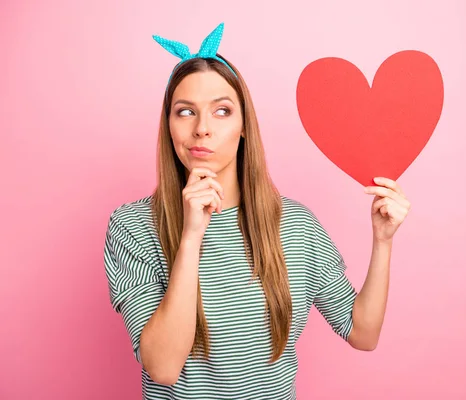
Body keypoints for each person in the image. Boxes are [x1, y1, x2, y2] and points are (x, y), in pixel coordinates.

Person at [103, 22, 411, 400]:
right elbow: (163, 368)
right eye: (185, 112)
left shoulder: (296, 225)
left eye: (222, 111)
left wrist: (382, 240)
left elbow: (362, 334)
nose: (202, 129)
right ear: (169, 126)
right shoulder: (133, 225)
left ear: (244, 125)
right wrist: (191, 235)